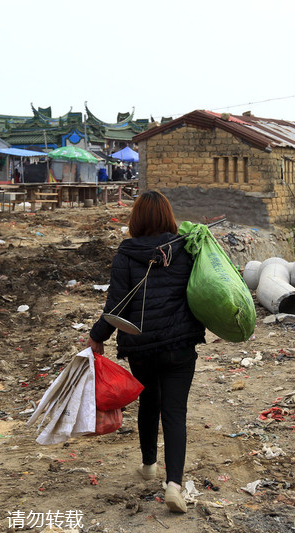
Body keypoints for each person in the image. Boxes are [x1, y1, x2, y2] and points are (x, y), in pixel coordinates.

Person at [87, 191, 206, 514]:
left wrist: (97, 337)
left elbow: (116, 305)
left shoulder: (126, 255)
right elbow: (202, 289)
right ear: (168, 217)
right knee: (174, 411)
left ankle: (149, 465)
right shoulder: (186, 250)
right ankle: (174, 485)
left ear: (136, 219)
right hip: (180, 345)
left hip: (141, 347)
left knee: (149, 401)